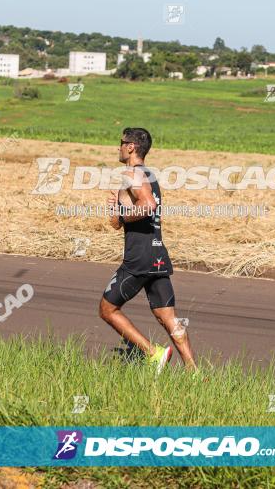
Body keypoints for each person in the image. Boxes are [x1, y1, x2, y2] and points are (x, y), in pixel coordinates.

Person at [99, 127, 197, 373]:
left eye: (121, 142)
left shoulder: (132, 173)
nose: (118, 147)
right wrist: (115, 211)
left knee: (107, 309)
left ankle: (154, 354)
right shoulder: (149, 176)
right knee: (168, 318)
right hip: (157, 254)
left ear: (131, 147)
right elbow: (121, 221)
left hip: (138, 257)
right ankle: (194, 373)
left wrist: (122, 218)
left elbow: (148, 206)